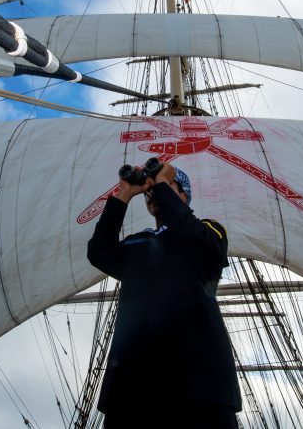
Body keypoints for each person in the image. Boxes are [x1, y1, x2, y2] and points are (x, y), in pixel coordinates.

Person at [87, 161, 242, 428]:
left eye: (166, 187)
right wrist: (125, 193)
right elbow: (99, 252)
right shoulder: (137, 244)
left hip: (202, 386)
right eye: (150, 191)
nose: (153, 193)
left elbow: (202, 243)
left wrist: (160, 183)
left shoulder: (209, 231)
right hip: (132, 389)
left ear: (183, 196)